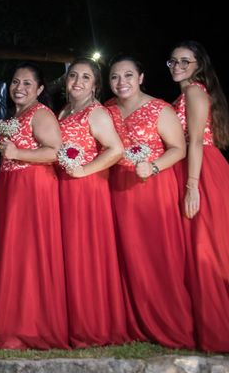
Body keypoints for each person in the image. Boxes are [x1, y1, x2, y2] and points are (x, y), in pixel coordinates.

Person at [106, 55, 194, 349]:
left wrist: (153, 166)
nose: (122, 82)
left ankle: (170, 320)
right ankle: (134, 321)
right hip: (117, 188)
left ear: (141, 78)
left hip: (152, 187)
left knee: (158, 255)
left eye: (128, 75)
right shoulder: (106, 109)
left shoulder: (159, 108)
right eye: (115, 77)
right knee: (126, 255)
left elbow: (179, 149)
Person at [0, 62, 69, 350]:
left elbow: (55, 151)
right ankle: (12, 322)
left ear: (39, 89)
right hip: (13, 186)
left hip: (33, 187)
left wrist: (17, 151)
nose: (19, 88)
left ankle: (33, 326)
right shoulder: (14, 115)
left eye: (26, 83)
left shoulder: (41, 114)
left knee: (30, 253)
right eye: (15, 82)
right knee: (13, 252)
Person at [56, 58, 128, 347]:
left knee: (85, 255)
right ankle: (69, 322)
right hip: (63, 188)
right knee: (68, 256)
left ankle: (92, 326)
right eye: (73, 75)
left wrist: (84, 170)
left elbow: (116, 149)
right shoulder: (63, 111)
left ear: (95, 85)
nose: (78, 81)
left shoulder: (95, 112)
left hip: (87, 190)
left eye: (86, 77)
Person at [168, 41, 229, 352]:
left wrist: (193, 186)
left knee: (208, 248)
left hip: (202, 171)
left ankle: (218, 331)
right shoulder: (186, 92)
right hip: (194, 168)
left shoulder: (193, 91)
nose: (177, 65)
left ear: (198, 65)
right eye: (173, 60)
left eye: (185, 60)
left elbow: (194, 142)